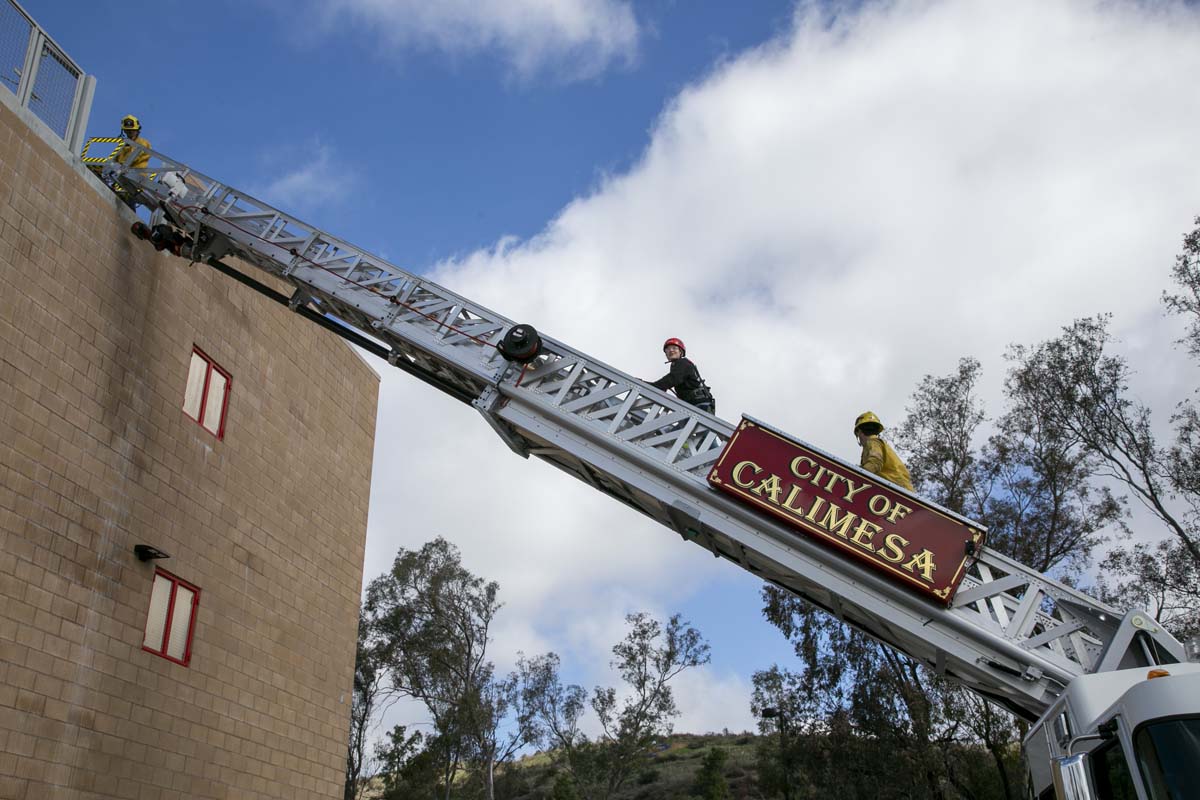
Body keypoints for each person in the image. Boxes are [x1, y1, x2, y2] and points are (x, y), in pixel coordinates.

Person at [649, 337, 716, 414]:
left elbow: (672, 379)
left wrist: (652, 386)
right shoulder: (678, 365)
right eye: (668, 349)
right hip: (693, 405)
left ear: (681, 352)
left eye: (674, 348)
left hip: (699, 405)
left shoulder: (682, 363)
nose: (671, 350)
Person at [853, 411, 914, 491]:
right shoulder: (878, 444)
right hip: (900, 489)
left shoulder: (873, 442)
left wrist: (856, 475)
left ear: (859, 432)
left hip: (896, 490)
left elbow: (875, 462)